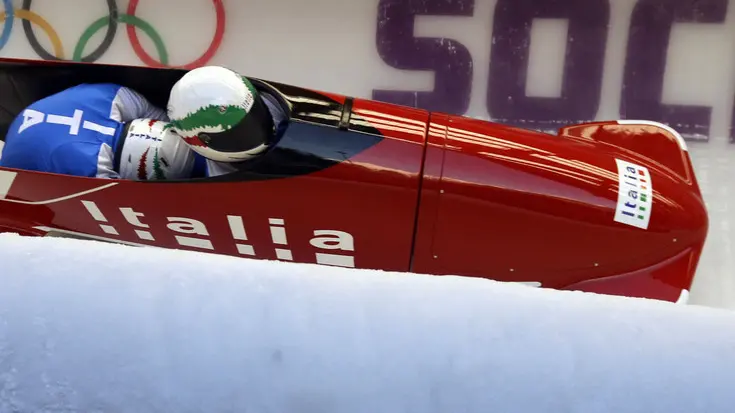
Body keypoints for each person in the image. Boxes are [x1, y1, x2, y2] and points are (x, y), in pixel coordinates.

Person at [0, 83, 197, 181]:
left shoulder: (119, 97)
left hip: (29, 118)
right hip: (13, 160)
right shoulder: (93, 168)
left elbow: (165, 119)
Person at [166, 65, 288, 177]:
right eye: (237, 132)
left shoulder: (273, 104)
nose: (250, 132)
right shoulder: (219, 177)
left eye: (254, 112)